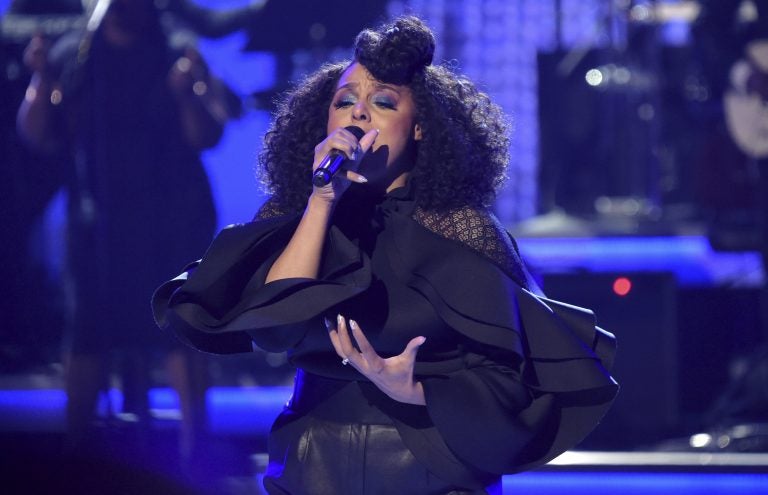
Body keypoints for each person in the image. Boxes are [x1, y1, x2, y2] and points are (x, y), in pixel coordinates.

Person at [153, 15, 618, 494]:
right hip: (316, 459)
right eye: (345, 102)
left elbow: (512, 374)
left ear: (419, 129)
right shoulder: (296, 215)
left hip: (432, 461)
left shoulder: (461, 228)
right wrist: (322, 201)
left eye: (382, 102)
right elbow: (275, 325)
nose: (358, 115)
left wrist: (416, 390)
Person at [16, 0, 238, 467]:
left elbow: (208, 132)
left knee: (181, 327)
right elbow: (37, 135)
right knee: (87, 331)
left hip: (173, 218)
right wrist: (41, 79)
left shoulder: (176, 47)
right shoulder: (76, 51)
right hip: (100, 220)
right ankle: (76, 453)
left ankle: (194, 447)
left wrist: (188, 91)